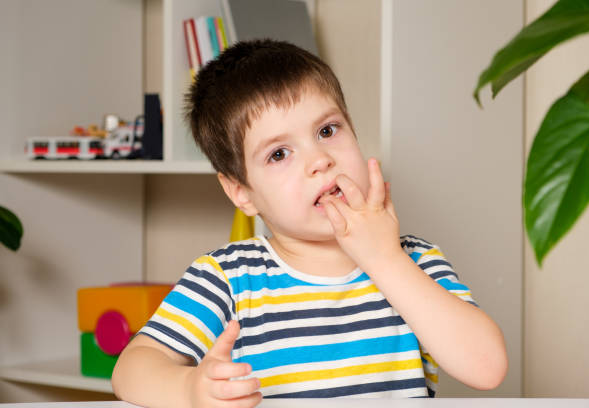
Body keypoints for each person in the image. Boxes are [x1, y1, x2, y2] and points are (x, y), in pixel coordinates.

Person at [112, 39, 508, 408]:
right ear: (241, 193)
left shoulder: (415, 260)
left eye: (327, 131)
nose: (320, 159)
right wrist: (191, 390)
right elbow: (131, 369)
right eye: (279, 153)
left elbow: (487, 367)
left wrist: (385, 258)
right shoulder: (227, 278)